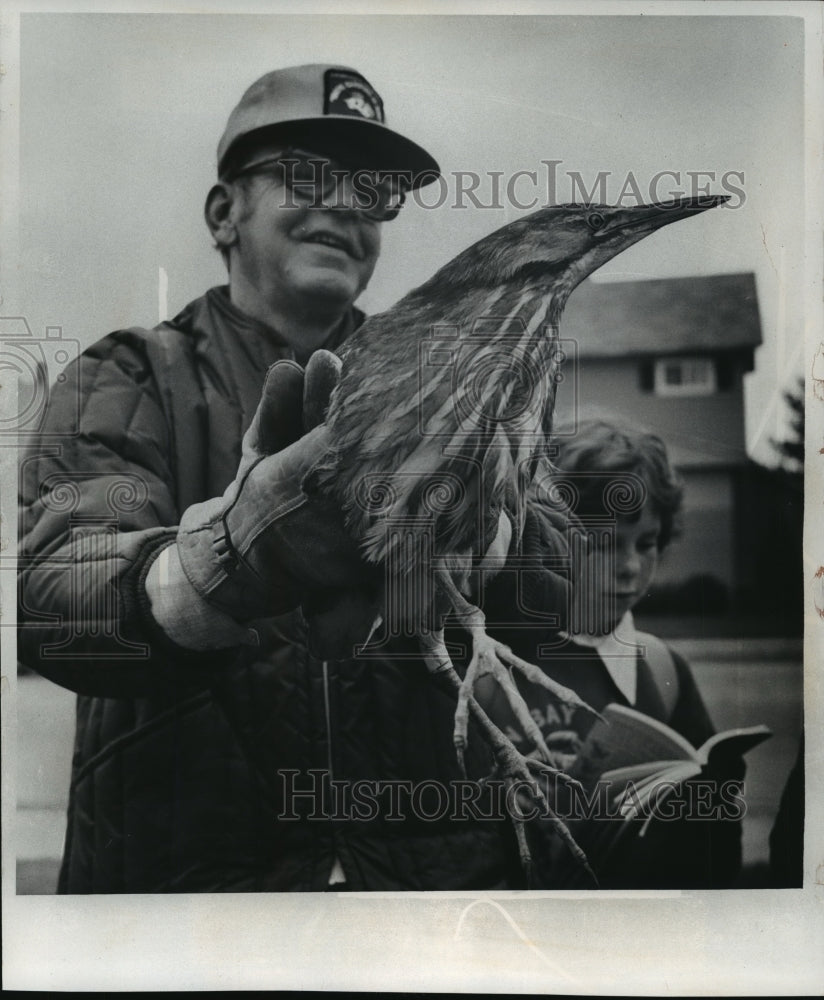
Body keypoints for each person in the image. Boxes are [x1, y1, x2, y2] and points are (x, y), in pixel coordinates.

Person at [17, 64, 532, 892]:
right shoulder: (128, 375)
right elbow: (49, 596)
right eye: (307, 176)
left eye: (372, 190)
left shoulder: (448, 386)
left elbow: (538, 614)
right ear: (225, 212)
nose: (345, 205)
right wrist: (212, 568)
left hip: (426, 903)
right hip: (190, 905)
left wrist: (511, 544)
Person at [483, 416, 745, 889]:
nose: (629, 567)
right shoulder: (499, 667)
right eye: (605, 543)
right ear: (551, 539)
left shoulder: (664, 670)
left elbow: (713, 846)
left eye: (646, 544)